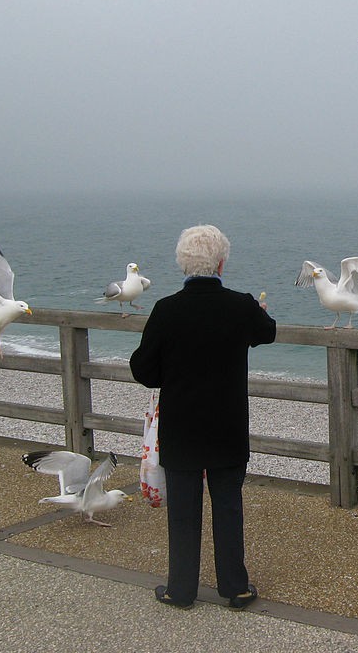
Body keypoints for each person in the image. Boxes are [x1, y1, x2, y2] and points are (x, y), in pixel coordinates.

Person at [130, 224, 276, 610]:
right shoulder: (241, 305)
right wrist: (257, 315)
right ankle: (235, 588)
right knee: (228, 506)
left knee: (183, 511)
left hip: (182, 428)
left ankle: (181, 589)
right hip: (227, 427)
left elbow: (142, 369)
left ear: (183, 264)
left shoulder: (166, 310)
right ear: (221, 263)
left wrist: (172, 373)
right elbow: (268, 332)